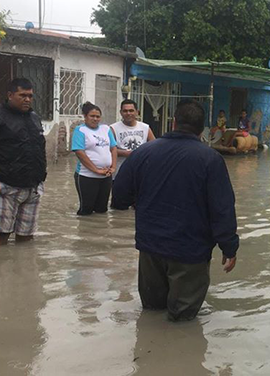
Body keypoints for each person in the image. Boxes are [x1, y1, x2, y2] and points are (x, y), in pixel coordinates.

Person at [113, 99, 239, 322]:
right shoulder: (210, 159)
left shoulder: (143, 153)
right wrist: (229, 246)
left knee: (151, 312)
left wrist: (141, 201)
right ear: (202, 129)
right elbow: (222, 209)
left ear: (173, 123)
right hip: (189, 253)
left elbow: (119, 197)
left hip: (150, 250)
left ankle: (148, 353)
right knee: (183, 321)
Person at [0, 78, 47, 245]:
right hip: (6, 187)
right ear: (10, 95)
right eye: (23, 95)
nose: (27, 99)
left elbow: (40, 148)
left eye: (30, 96)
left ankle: (23, 270)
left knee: (26, 239)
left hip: (33, 187)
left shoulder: (34, 118)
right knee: (2, 235)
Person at [71, 102, 117, 215]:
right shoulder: (80, 130)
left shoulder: (106, 129)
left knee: (102, 209)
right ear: (85, 117)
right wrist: (96, 170)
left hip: (106, 176)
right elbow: (79, 152)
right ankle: (84, 231)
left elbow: (113, 148)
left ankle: (100, 231)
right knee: (86, 209)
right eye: (92, 116)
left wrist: (113, 167)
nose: (95, 119)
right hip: (86, 176)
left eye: (98, 116)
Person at [110, 99, 155, 209]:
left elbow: (154, 147)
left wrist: (141, 154)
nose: (128, 113)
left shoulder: (145, 128)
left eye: (131, 110)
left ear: (137, 112)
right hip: (120, 173)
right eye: (125, 111)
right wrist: (126, 153)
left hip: (141, 174)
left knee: (139, 206)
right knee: (118, 208)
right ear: (120, 112)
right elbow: (109, 149)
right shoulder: (113, 128)